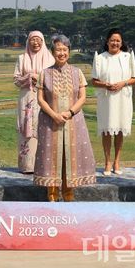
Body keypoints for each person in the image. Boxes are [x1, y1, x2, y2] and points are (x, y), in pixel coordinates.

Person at [34, 34, 96, 202]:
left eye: (64, 49)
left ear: (69, 51)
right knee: (51, 155)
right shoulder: (45, 73)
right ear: (52, 52)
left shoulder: (78, 73)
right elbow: (40, 99)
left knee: (70, 155)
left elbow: (82, 97)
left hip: (73, 121)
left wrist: (69, 113)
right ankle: (52, 195)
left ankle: (69, 195)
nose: (61, 53)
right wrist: (54, 115)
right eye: (58, 49)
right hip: (49, 121)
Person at [91, 28, 135, 176]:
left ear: (121, 42)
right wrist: (106, 85)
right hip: (106, 99)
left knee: (119, 129)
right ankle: (107, 161)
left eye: (118, 40)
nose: (115, 43)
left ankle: (117, 160)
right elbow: (94, 81)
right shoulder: (100, 58)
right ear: (107, 41)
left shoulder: (127, 57)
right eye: (112, 40)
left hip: (122, 98)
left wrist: (122, 84)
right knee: (107, 129)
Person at [13, 31, 55, 173]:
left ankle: (43, 165)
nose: (35, 43)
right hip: (26, 98)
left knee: (42, 128)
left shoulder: (50, 59)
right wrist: (28, 78)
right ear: (28, 42)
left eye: (39, 40)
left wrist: (39, 78)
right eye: (33, 40)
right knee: (26, 129)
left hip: (44, 99)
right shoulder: (21, 58)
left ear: (43, 42)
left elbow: (54, 80)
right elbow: (16, 79)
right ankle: (27, 166)